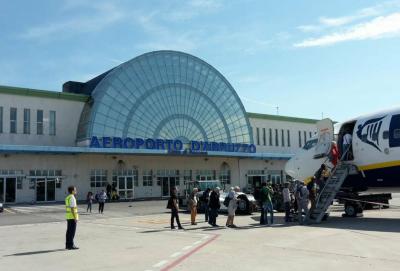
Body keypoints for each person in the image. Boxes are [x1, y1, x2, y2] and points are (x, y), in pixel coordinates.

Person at [65, 185, 79, 250]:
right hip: (72, 217)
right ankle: (71, 245)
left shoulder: (67, 197)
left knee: (68, 231)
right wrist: (75, 217)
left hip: (68, 217)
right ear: (72, 191)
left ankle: (67, 245)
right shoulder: (72, 197)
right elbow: (72, 208)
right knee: (72, 232)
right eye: (75, 190)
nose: (76, 191)